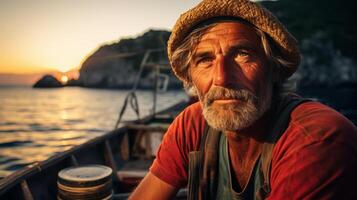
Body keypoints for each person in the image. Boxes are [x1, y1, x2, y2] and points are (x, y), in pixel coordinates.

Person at [130, 0, 357, 199]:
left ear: (275, 68)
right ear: (191, 78)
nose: (221, 78)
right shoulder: (192, 125)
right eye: (205, 59)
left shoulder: (318, 140)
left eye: (242, 54)